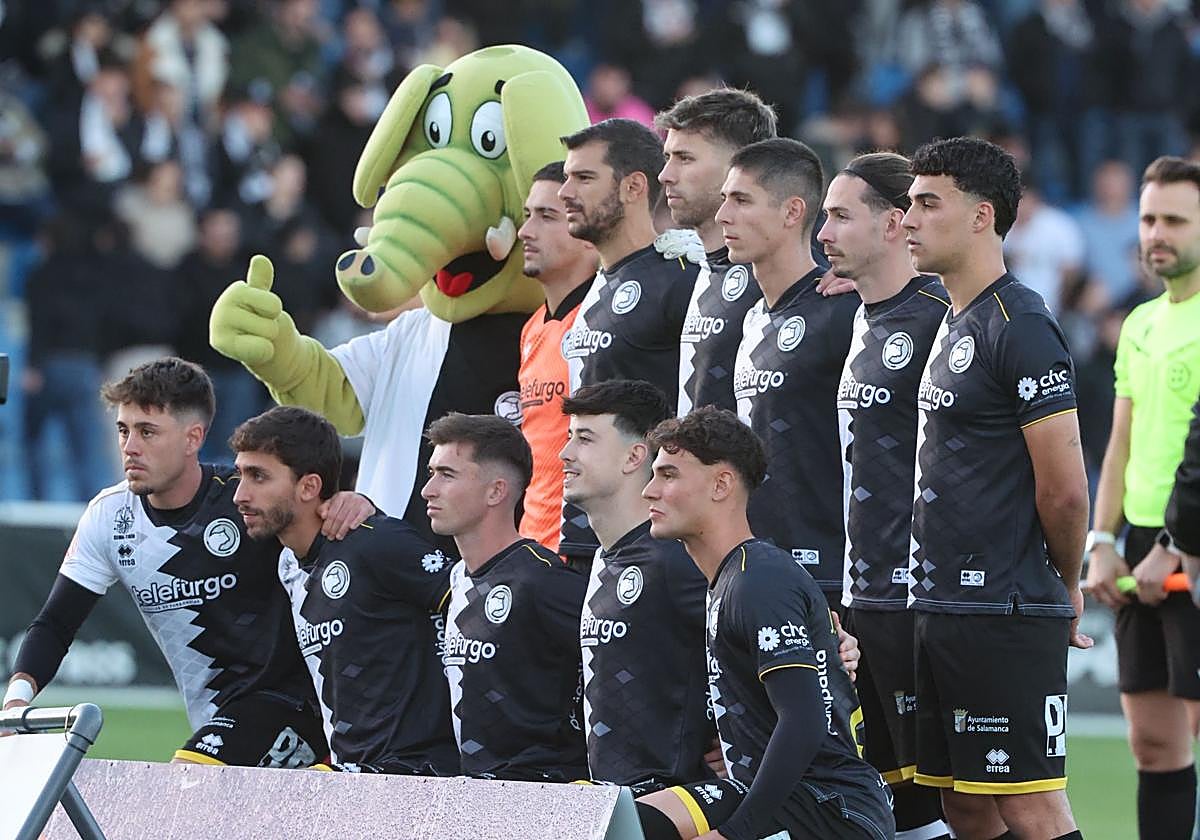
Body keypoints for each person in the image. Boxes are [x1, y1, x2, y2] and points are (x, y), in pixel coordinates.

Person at [3, 358, 374, 767]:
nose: (129, 447)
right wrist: (15, 702)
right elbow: (55, 625)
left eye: (147, 432)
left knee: (185, 789)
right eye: (123, 430)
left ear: (192, 438)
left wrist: (357, 503)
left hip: (299, 704)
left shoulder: (248, 498)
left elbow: (332, 530)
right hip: (217, 719)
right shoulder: (109, 518)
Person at [902, 137, 1089, 840]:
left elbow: (1066, 490)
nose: (909, 220)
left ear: (982, 217)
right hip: (942, 603)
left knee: (1031, 805)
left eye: (927, 203)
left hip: (1003, 606)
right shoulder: (955, 317)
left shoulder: (1023, 323)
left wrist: (1064, 583)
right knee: (965, 806)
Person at [636, 407, 894, 840]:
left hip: (831, 809)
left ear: (721, 484)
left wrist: (734, 834)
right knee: (624, 823)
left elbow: (804, 721)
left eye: (668, 475)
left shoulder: (759, 581)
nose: (649, 491)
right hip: (778, 794)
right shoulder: (733, 577)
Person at [819, 151, 952, 840]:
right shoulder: (860, 315)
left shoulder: (941, 316)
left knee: (957, 804)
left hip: (917, 599)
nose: (824, 232)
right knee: (890, 800)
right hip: (859, 596)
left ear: (895, 223)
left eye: (840, 216)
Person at [230, 405, 459, 775]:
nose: (240, 494)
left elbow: (473, 607)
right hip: (351, 771)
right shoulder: (288, 563)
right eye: (240, 475)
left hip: (415, 772)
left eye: (258, 477)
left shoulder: (376, 541)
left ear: (309, 486)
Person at [1085, 155, 1200, 840]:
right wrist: (1102, 541)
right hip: (1138, 543)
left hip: (1190, 547)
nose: (1156, 234)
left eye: (1175, 221)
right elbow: (1120, 441)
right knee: (1153, 745)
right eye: (1148, 219)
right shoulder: (1140, 322)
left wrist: (1176, 546)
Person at [723, 138, 860, 605]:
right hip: (756, 566)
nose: (724, 215)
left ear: (791, 212)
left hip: (831, 578)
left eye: (741, 200)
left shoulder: (844, 308)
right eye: (725, 200)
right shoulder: (753, 317)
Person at [559, 379, 713, 790]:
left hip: (672, 808)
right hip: (613, 804)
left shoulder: (675, 557)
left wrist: (739, 738)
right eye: (569, 438)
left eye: (585, 439)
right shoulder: (601, 558)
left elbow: (788, 630)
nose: (565, 454)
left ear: (634, 457)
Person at [421, 413, 588, 781]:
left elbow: (640, 649)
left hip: (543, 797)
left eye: (446, 475)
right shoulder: (458, 576)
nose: (428, 490)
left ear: (496, 491)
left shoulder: (540, 579)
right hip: (476, 796)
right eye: (432, 473)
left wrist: (704, 736)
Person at [559, 118, 699, 410]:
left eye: (584, 178)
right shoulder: (597, 285)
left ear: (633, 187)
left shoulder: (685, 277)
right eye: (566, 177)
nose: (565, 193)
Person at [655, 88, 775, 416]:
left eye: (685, 158)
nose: (665, 175)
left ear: (741, 166)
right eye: (668, 157)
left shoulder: (791, 273)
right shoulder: (690, 267)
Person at [515, 161, 600, 563]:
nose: (525, 232)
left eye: (547, 217)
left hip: (581, 554)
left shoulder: (604, 321)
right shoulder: (532, 328)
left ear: (587, 233)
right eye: (527, 215)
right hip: (531, 550)